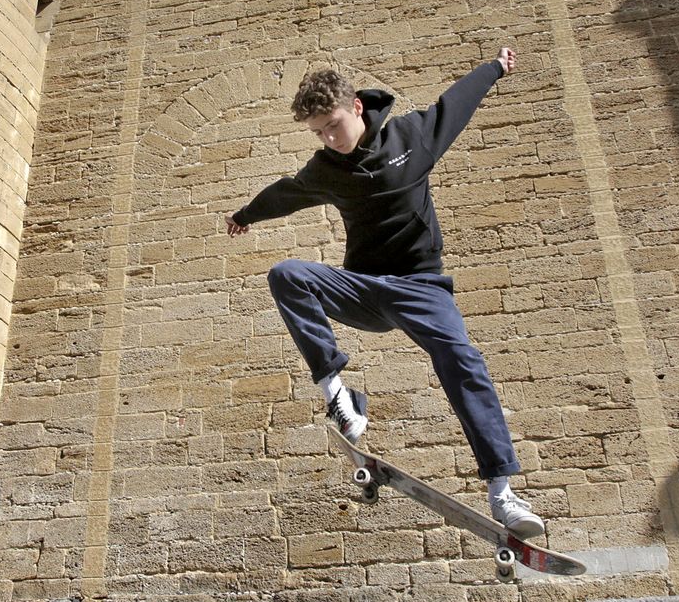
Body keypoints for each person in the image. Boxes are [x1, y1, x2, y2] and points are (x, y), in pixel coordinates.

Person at [224, 48, 544, 538]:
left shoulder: (412, 138)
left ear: (356, 108)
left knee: (464, 361)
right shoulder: (326, 168)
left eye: (333, 125)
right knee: (287, 274)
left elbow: (455, 103)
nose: (330, 140)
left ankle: (502, 495)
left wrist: (495, 67)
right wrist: (245, 216)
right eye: (318, 133)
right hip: (366, 290)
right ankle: (338, 396)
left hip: (421, 288)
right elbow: (285, 192)